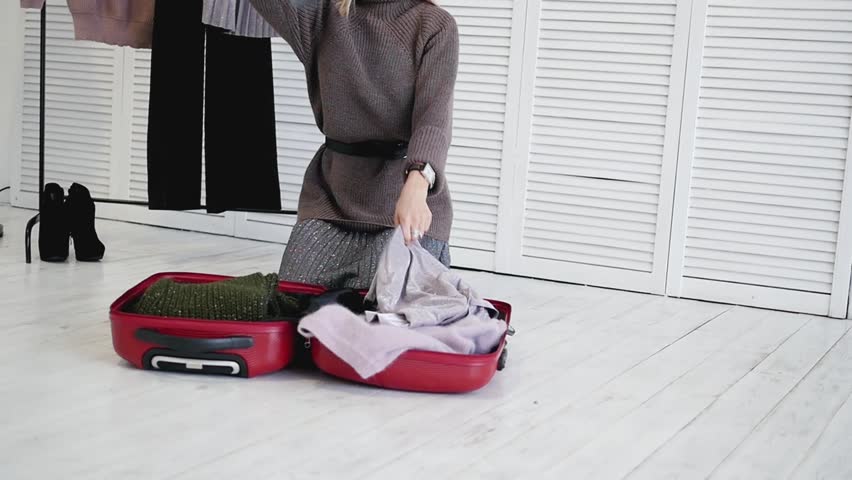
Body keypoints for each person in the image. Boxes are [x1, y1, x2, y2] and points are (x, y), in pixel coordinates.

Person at [249, 0, 459, 289]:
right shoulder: (320, 15)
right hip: (331, 200)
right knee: (295, 301)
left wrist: (419, 180)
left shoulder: (435, 24)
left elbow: (434, 119)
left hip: (404, 201)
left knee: (382, 307)